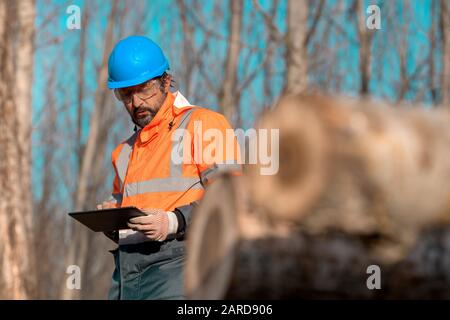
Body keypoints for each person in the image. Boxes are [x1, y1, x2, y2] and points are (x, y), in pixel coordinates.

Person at [97, 35, 241, 300]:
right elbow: (128, 208)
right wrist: (112, 217)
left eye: (144, 89)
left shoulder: (203, 124)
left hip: (180, 268)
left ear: (166, 81)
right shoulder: (123, 152)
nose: (136, 102)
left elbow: (232, 199)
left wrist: (174, 221)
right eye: (126, 94)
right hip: (125, 275)